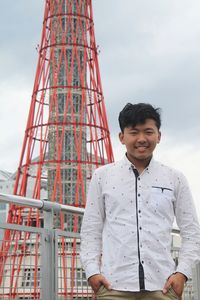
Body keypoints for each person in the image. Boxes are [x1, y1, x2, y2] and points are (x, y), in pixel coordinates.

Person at [80, 103, 200, 300]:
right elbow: (91, 229)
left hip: (162, 285)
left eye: (148, 132)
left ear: (158, 136)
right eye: (134, 132)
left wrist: (182, 273)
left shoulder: (174, 178)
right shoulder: (103, 176)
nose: (141, 139)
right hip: (113, 285)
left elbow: (192, 231)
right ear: (122, 137)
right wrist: (92, 272)